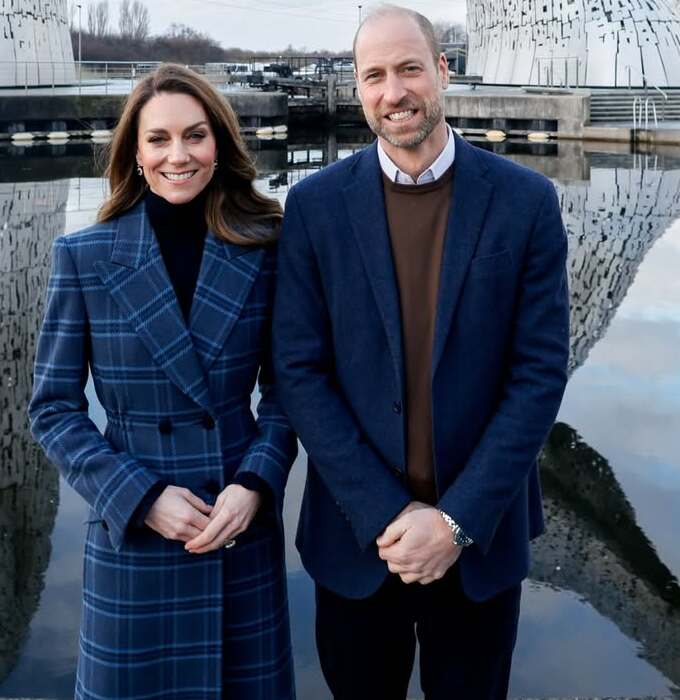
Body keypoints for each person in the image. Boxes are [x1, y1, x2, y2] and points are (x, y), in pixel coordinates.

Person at [272, 6, 570, 700]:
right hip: (356, 542)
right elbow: (298, 371)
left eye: (409, 68)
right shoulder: (314, 208)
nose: (393, 91)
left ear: (442, 70)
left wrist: (456, 520)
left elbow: (538, 375)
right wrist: (388, 513)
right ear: (356, 87)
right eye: (374, 75)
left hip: (480, 544)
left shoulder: (526, 201)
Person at [29, 64, 297, 700]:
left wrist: (256, 484)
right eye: (159, 139)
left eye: (195, 136)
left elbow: (289, 394)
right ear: (136, 153)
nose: (179, 155)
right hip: (134, 530)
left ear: (220, 145)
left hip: (235, 517)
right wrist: (142, 496)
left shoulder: (267, 246)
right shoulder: (85, 256)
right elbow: (54, 410)